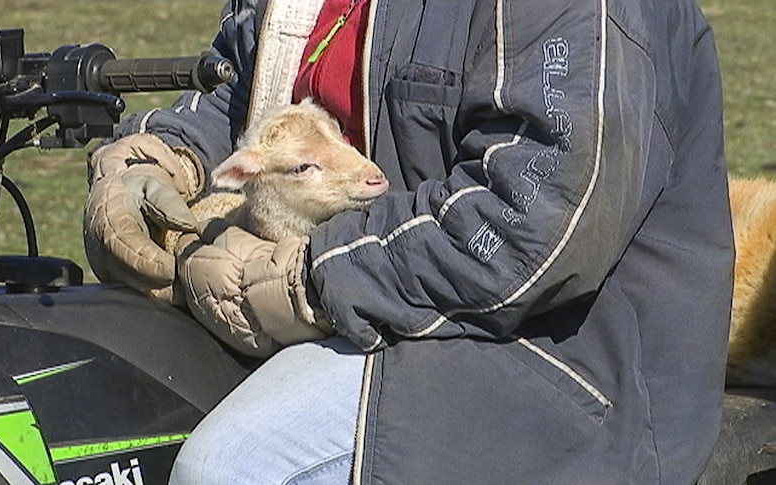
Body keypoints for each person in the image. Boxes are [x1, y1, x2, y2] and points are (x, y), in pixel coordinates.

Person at [83, 0, 733, 483]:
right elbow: (248, 90)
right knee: (103, 397)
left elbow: (526, 222)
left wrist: (298, 280)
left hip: (551, 364)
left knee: (230, 465)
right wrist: (159, 161)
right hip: (363, 311)